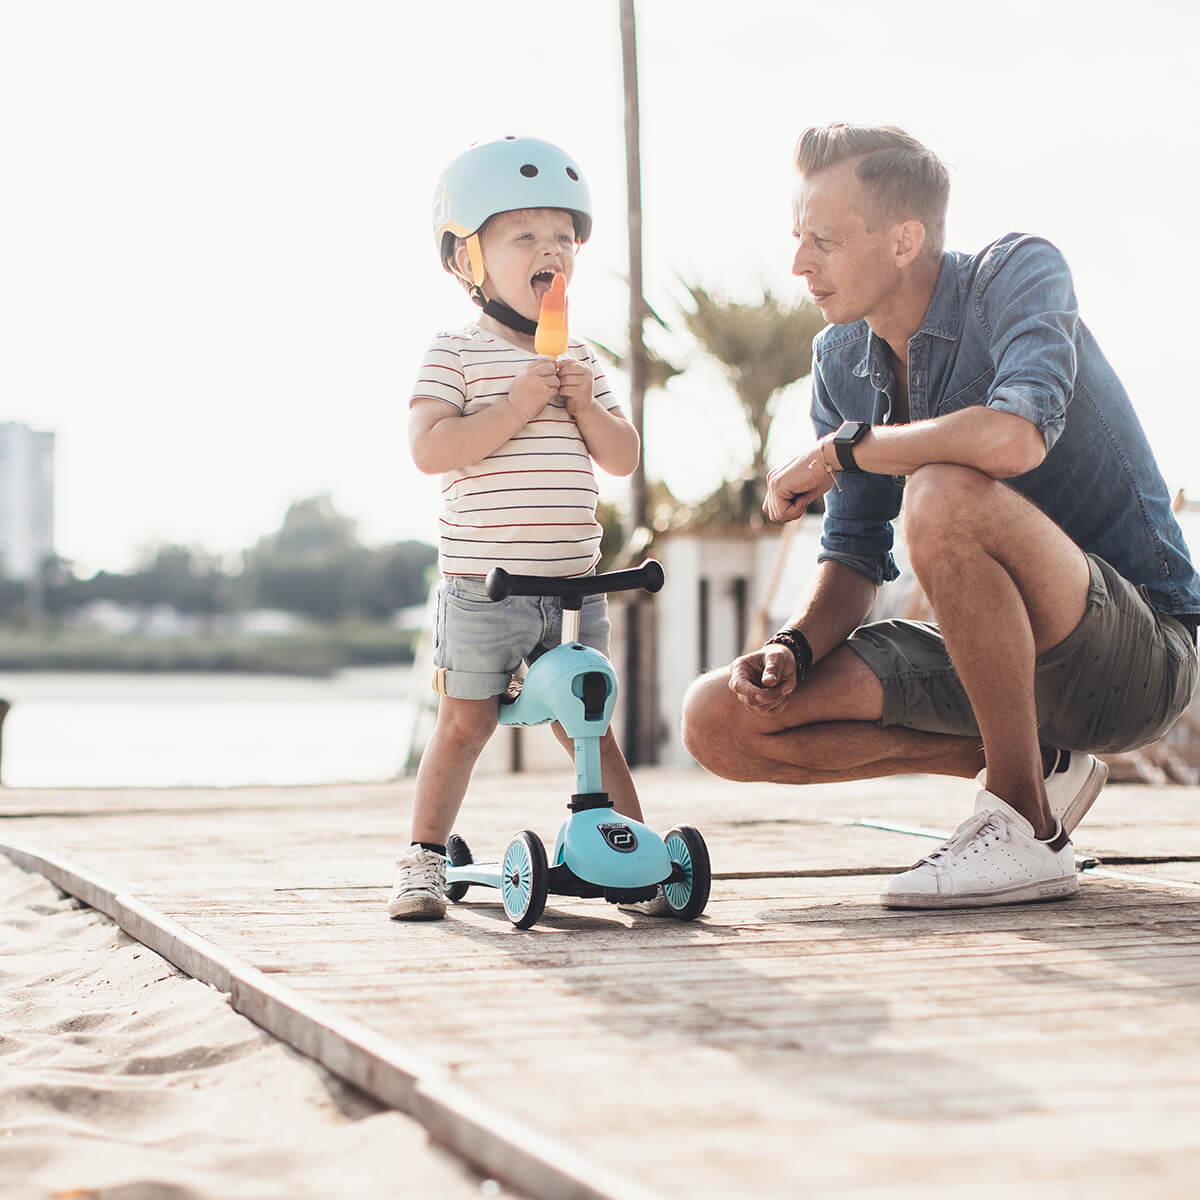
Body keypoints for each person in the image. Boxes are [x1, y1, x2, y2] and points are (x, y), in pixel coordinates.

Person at [682, 123, 1200, 910]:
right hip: (995, 661)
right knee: (718, 717)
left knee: (943, 491)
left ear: (904, 239)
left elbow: (1014, 437)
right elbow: (853, 559)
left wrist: (837, 452)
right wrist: (794, 644)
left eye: (823, 239)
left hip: (1133, 655)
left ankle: (1024, 825)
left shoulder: (1017, 274)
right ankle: (1040, 770)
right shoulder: (839, 360)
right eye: (797, 238)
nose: (799, 263)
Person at [390, 135, 646, 920]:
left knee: (589, 722)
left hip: (574, 589)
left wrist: (581, 403)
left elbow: (623, 457)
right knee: (465, 722)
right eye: (525, 236)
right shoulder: (457, 354)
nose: (552, 252)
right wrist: (515, 407)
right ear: (470, 262)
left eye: (564, 239)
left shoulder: (586, 361)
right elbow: (431, 449)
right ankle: (424, 860)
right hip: (484, 588)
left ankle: (637, 851)